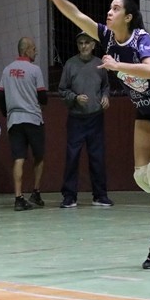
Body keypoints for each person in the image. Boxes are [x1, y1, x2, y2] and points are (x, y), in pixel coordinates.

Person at [37, 0, 150, 269]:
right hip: (144, 108)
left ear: (128, 16)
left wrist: (116, 65)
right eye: (109, 8)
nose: (109, 12)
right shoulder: (107, 37)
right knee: (142, 177)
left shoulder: (141, 38)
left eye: (116, 8)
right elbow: (76, 15)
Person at [58, 31, 112, 208]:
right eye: (80, 43)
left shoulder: (100, 64)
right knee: (72, 157)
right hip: (76, 119)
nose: (83, 46)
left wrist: (106, 96)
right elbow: (62, 90)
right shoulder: (70, 64)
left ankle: (100, 195)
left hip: (95, 118)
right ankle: (69, 196)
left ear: (93, 45)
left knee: (97, 157)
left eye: (87, 43)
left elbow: (105, 86)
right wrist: (74, 98)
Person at [0, 37, 47, 211]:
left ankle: (18, 198)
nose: (36, 51)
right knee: (39, 156)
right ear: (26, 50)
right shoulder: (35, 70)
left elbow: (1, 97)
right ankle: (36, 192)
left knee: (18, 158)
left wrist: (7, 114)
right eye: (34, 48)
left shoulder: (6, 70)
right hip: (33, 119)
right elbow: (43, 97)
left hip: (14, 121)